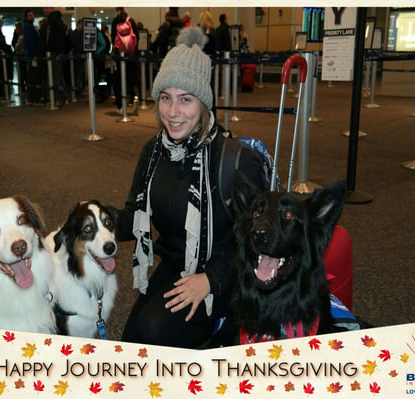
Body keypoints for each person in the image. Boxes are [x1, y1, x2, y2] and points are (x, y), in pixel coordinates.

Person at [115, 26, 267, 349]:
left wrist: (211, 281)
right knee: (131, 342)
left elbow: (256, 243)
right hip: (176, 264)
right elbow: (133, 215)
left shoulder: (235, 161)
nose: (172, 113)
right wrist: (99, 220)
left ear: (203, 103)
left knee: (154, 332)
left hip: (227, 274)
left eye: (185, 100)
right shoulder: (154, 152)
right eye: (166, 98)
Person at [111, 7, 139, 110]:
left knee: (118, 78)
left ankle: (120, 104)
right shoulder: (130, 20)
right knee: (132, 76)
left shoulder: (115, 21)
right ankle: (134, 97)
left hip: (120, 54)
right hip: (131, 54)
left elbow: (114, 37)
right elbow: (137, 36)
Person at [41, 7, 69, 105]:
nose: (44, 10)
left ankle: (57, 98)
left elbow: (47, 38)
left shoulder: (50, 21)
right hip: (60, 52)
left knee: (54, 75)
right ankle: (63, 97)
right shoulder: (60, 21)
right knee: (60, 75)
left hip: (52, 51)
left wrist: (46, 48)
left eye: (46, 8)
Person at [22, 8, 44, 105]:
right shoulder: (29, 27)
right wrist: (35, 54)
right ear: (26, 17)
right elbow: (31, 42)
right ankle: (35, 99)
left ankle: (32, 99)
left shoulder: (28, 26)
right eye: (30, 15)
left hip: (31, 55)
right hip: (33, 55)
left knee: (31, 77)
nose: (32, 17)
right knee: (35, 77)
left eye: (32, 15)